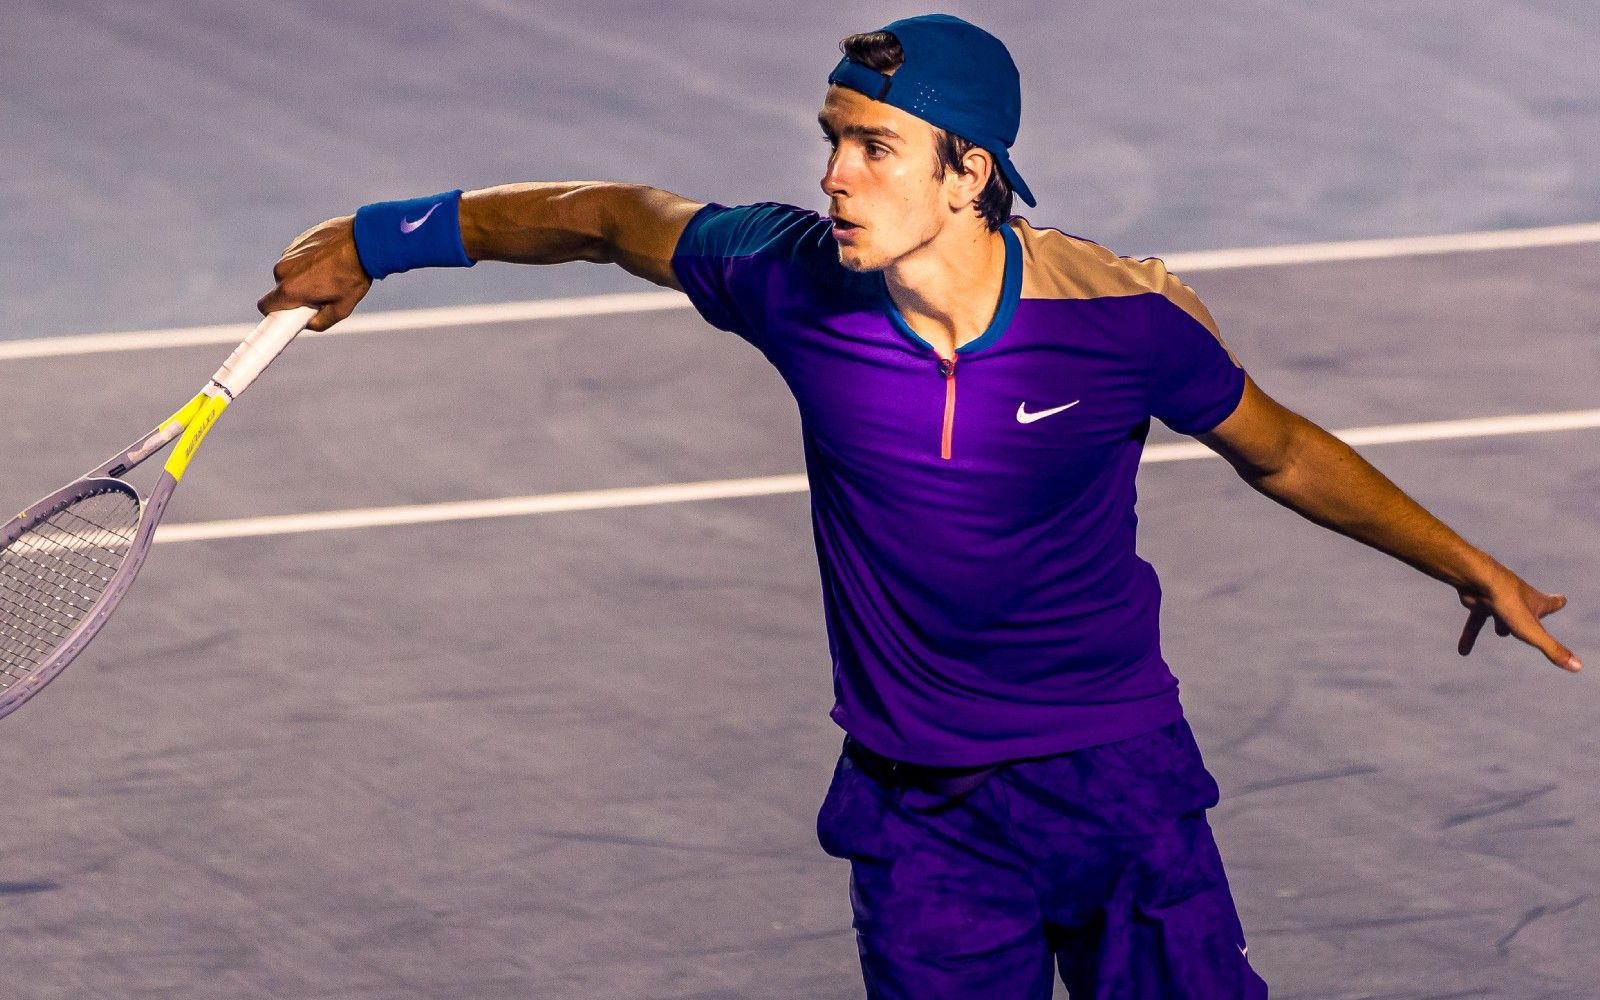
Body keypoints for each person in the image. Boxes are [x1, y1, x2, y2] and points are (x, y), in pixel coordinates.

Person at [258, 13, 1577, 998]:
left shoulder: (1121, 318)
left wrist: (1463, 562)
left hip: (1117, 784)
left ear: (970, 173)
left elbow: (1278, 450)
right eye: (832, 140)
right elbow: (608, 216)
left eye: (875, 147)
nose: (837, 175)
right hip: (922, 814)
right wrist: (379, 237)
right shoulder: (785, 276)